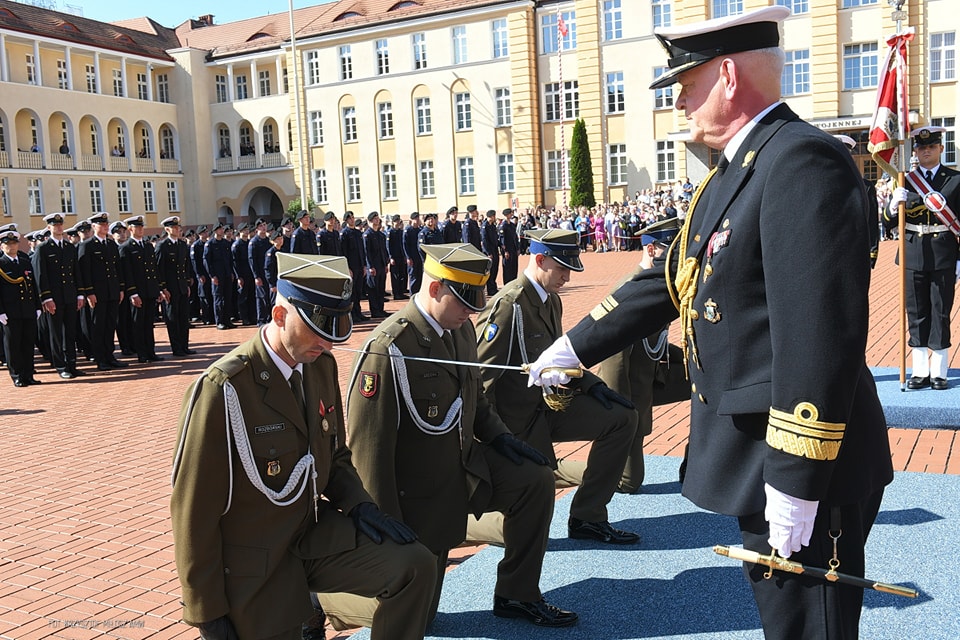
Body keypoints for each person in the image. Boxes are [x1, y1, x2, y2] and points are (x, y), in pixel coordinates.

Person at [527, 8, 893, 638]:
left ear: (727, 76)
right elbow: (671, 278)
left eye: (686, 84)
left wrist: (797, 479)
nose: (678, 102)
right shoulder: (737, 168)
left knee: (811, 628)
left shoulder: (801, 161)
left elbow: (818, 337)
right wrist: (573, 346)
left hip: (803, 458)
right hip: (758, 448)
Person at [171, 252, 436, 640]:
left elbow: (335, 454)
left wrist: (360, 504)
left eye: (334, 328)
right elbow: (193, 511)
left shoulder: (318, 365)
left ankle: (320, 606)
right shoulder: (224, 389)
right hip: (255, 560)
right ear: (280, 315)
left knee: (415, 566)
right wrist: (206, 612)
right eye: (317, 328)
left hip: (312, 537)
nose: (327, 341)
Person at [318, 243, 576, 631]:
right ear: (436, 288)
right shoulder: (390, 348)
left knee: (534, 480)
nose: (471, 312)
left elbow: (475, 398)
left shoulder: (459, 329)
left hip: (464, 468)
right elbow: (370, 447)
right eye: (463, 301)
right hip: (418, 496)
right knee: (419, 616)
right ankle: (322, 601)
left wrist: (501, 437)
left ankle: (517, 593)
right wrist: (384, 523)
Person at [474, 228, 640, 545]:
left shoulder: (550, 300)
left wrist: (591, 384)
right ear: (539, 260)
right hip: (515, 424)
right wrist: (493, 439)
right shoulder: (509, 305)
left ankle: (588, 517)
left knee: (622, 418)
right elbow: (481, 381)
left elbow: (554, 356)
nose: (567, 276)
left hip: (547, 408)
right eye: (562, 267)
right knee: (524, 526)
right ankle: (467, 522)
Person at [596, 219, 689, 493]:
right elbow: (613, 358)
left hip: (652, 377)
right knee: (629, 482)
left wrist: (696, 363)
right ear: (650, 250)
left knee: (707, 382)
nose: (676, 258)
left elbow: (656, 342)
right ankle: (565, 473)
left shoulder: (663, 284)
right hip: (629, 392)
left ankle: (697, 463)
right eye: (669, 251)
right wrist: (622, 414)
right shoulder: (630, 289)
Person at [887, 125, 960, 390]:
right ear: (915, 151)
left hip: (943, 253)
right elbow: (889, 222)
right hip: (912, 252)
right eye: (921, 147)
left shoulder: (955, 180)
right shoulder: (905, 180)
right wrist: (892, 206)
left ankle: (939, 372)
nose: (926, 151)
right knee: (916, 311)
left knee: (940, 311)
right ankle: (919, 371)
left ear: (941, 148)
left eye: (931, 147)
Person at [32, 212, 85, 379]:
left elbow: (76, 273)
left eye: (60, 224)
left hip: (69, 296)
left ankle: (72, 364)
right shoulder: (43, 248)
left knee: (70, 332)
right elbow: (41, 276)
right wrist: (46, 298)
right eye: (55, 225)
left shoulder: (69, 247)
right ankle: (61, 366)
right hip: (54, 298)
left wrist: (80, 294)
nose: (59, 227)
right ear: (49, 228)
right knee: (56, 334)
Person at [78, 213, 127, 371]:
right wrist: (89, 292)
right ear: (94, 226)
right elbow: (84, 271)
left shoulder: (111, 244)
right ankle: (100, 358)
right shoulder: (87, 245)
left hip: (112, 291)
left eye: (106, 224)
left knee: (110, 325)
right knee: (98, 326)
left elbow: (117, 269)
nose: (105, 226)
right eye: (101, 224)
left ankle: (110, 355)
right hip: (97, 293)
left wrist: (120, 288)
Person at [119, 216, 164, 363]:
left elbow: (154, 269)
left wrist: (158, 289)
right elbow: (127, 273)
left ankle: (151, 352)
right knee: (138, 324)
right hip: (137, 292)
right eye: (137, 227)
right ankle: (142, 353)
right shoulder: (126, 247)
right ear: (130, 229)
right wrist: (133, 293)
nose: (140, 229)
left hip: (150, 290)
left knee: (149, 324)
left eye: (141, 227)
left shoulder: (147, 246)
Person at [1, 230, 41, 387]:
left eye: (14, 243)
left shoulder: (25, 262)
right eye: (8, 244)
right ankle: (17, 375)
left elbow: (33, 285)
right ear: (2, 246)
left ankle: (28, 374)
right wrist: (0, 311)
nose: (12, 246)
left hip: (27, 309)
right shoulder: (2, 264)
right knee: (13, 345)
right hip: (11, 312)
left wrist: (37, 306)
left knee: (28, 343)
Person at [835, 134, 880, 270]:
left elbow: (871, 222)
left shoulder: (865, 187)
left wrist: (872, 251)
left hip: (855, 252)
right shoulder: (819, 184)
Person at [155, 216, 196, 357]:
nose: (178, 229)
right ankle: (176, 348)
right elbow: (159, 269)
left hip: (182, 287)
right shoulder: (162, 246)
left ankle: (185, 346)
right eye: (174, 227)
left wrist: (187, 283)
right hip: (170, 288)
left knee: (184, 318)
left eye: (178, 227)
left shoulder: (182, 245)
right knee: (172, 318)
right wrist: (163, 288)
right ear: (167, 229)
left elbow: (186, 266)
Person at [204, 223, 236, 330]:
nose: (222, 231)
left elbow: (230, 260)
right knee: (218, 299)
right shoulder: (210, 244)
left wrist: (231, 273)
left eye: (222, 229)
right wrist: (212, 276)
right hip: (217, 275)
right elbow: (207, 262)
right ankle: (219, 321)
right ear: (215, 231)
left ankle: (227, 320)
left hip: (227, 274)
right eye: (220, 229)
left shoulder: (225, 243)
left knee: (227, 298)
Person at [340, 211, 367, 322]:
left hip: (359, 266)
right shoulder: (344, 234)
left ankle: (358, 312)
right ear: (346, 220)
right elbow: (344, 252)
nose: (352, 220)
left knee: (358, 291)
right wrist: (347, 268)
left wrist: (364, 265)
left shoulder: (358, 233)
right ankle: (352, 315)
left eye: (353, 217)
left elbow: (362, 250)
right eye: (350, 218)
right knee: (352, 292)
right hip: (351, 267)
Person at [363, 212, 389, 318]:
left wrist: (386, 264)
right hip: (373, 266)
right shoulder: (367, 235)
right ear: (370, 221)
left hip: (381, 265)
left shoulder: (381, 235)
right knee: (373, 289)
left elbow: (384, 250)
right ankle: (375, 311)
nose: (377, 220)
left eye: (378, 218)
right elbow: (366, 252)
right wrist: (370, 266)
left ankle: (380, 309)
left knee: (381, 289)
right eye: (375, 218)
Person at [248, 218, 273, 325]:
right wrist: (256, 276)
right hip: (260, 273)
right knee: (261, 297)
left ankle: (269, 318)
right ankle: (261, 320)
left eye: (264, 225)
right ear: (257, 228)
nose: (264, 227)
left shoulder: (269, 241)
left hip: (268, 273)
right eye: (261, 226)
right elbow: (252, 260)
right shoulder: (254, 242)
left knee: (269, 297)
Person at [386, 214, 409, 301]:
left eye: (398, 221)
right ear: (393, 222)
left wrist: (404, 256)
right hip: (394, 257)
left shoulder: (400, 232)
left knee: (401, 275)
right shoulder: (390, 232)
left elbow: (402, 245)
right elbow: (388, 246)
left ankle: (401, 292)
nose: (397, 222)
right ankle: (396, 293)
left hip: (401, 256)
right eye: (396, 221)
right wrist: (391, 257)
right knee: (395, 276)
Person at [402, 212, 423, 295]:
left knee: (419, 276)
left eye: (418, 219)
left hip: (419, 256)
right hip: (412, 257)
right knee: (413, 276)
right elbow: (405, 245)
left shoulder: (419, 230)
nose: (417, 221)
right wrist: (408, 257)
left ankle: (418, 293)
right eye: (415, 219)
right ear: (411, 220)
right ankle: (413, 294)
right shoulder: (408, 230)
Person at [481, 209, 501, 295]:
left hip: (495, 250)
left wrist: (500, 245)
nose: (495, 217)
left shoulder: (492, 226)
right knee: (490, 270)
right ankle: (490, 289)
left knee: (495, 269)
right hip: (489, 251)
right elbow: (484, 240)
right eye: (494, 216)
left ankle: (493, 287)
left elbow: (495, 238)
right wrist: (488, 253)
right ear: (491, 216)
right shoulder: (485, 226)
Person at [498, 209, 519, 284]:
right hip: (507, 250)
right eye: (510, 213)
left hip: (513, 249)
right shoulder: (503, 226)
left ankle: (514, 282)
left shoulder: (512, 225)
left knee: (514, 267)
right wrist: (505, 251)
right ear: (506, 215)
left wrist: (517, 248)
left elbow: (515, 237)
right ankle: (507, 284)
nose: (512, 214)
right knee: (507, 268)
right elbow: (502, 240)